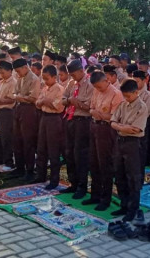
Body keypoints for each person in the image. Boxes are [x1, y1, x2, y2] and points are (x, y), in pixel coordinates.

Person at [110, 79, 148, 222]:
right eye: (124, 96)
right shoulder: (123, 104)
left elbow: (136, 129)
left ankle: (133, 209)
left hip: (133, 143)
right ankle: (124, 204)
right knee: (119, 175)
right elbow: (113, 122)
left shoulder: (141, 107)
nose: (126, 98)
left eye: (129, 96)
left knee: (133, 177)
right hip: (120, 141)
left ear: (135, 92)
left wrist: (120, 126)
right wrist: (122, 127)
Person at [85, 71, 123, 211]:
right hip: (95, 127)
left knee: (105, 164)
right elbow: (91, 108)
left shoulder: (116, 94)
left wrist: (99, 114)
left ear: (106, 80)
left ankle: (105, 199)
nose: (99, 90)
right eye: (96, 87)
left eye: (100, 87)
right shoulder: (95, 91)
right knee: (93, 162)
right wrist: (97, 114)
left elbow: (113, 116)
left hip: (107, 130)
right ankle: (95, 195)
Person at [62, 59, 94, 199]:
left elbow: (90, 106)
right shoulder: (71, 83)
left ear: (81, 71)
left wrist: (78, 103)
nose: (72, 77)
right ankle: (73, 183)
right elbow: (63, 99)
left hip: (83, 121)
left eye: (74, 74)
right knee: (68, 152)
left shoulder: (90, 84)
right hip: (70, 119)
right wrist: (69, 101)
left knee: (80, 154)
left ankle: (82, 186)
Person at [35, 65, 65, 188]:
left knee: (53, 150)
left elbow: (58, 106)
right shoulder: (45, 88)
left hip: (54, 119)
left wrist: (45, 102)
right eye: (43, 78)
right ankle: (40, 175)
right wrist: (45, 102)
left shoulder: (59, 89)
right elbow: (38, 103)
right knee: (41, 147)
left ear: (54, 77)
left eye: (47, 78)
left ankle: (54, 180)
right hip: (44, 118)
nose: (45, 81)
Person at [12, 58, 41, 181]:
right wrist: (20, 97)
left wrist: (19, 97)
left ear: (25, 67)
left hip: (29, 110)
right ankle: (19, 167)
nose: (18, 73)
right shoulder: (20, 78)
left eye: (19, 71)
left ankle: (29, 170)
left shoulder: (34, 79)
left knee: (28, 141)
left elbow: (33, 98)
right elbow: (15, 93)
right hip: (19, 109)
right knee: (17, 139)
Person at [0, 60, 17, 168]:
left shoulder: (13, 82)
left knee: (6, 137)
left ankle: (8, 161)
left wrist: (0, 101)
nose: (1, 75)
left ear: (10, 71)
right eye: (0, 73)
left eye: (3, 73)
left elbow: (12, 99)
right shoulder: (2, 82)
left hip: (7, 112)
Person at [132, 70, 150, 183]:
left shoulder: (147, 95)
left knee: (141, 152)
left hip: (142, 125)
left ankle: (139, 178)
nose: (135, 83)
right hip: (131, 127)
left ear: (144, 81)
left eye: (137, 81)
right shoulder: (132, 92)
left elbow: (147, 112)